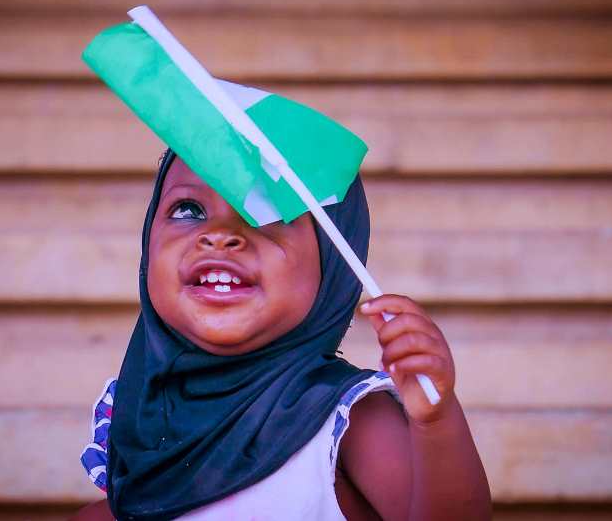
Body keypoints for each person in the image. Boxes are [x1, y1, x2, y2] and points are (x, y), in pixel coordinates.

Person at [72, 149, 491, 520]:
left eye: (267, 215)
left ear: (333, 267)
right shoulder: (139, 426)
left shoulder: (350, 420)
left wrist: (436, 424)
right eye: (188, 210)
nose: (219, 234)